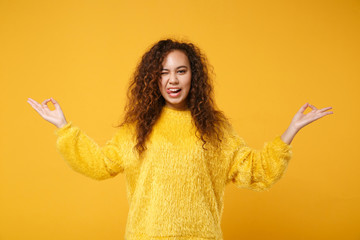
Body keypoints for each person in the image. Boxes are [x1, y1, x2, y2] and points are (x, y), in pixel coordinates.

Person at [27, 38, 333, 240]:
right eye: (164, 72)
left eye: (181, 71)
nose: (173, 80)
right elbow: (100, 164)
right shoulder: (137, 128)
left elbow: (256, 171)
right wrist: (64, 127)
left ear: (193, 76)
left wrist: (291, 131)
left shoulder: (215, 129)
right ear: (153, 79)